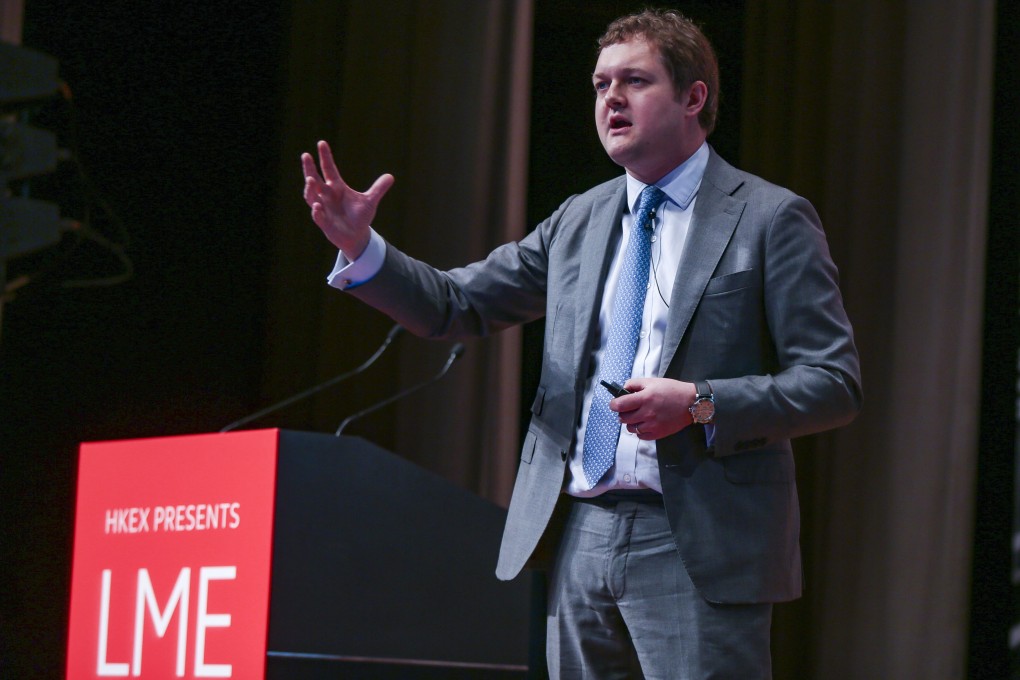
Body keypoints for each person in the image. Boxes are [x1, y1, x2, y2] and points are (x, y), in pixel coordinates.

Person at [301, 8, 861, 679]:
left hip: (699, 542)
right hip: (581, 536)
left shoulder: (769, 218)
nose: (611, 99)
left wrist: (700, 403)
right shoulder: (580, 218)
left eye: (634, 81)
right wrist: (360, 247)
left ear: (693, 97)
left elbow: (833, 383)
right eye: (600, 85)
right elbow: (455, 304)